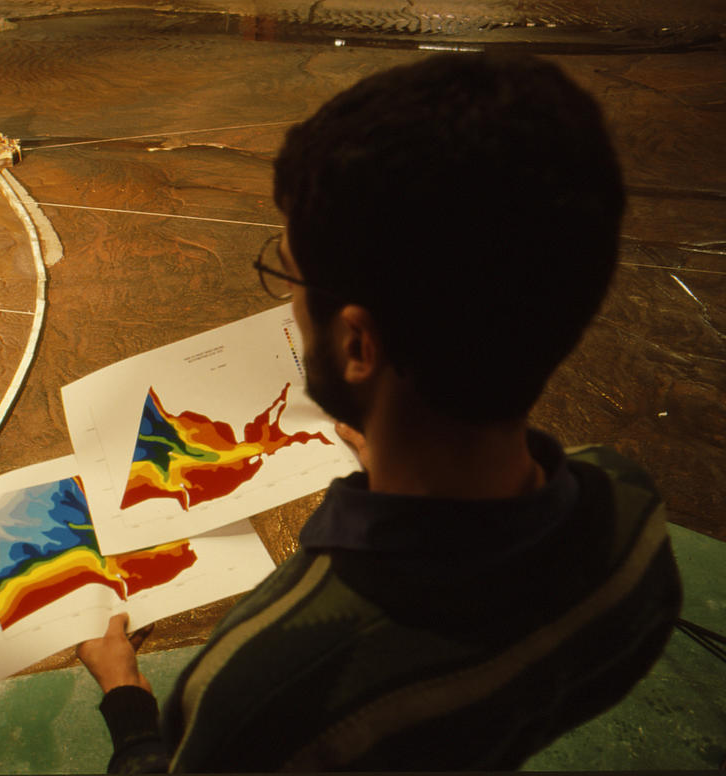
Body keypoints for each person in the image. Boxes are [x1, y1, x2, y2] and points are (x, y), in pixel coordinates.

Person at [76, 52, 682, 772]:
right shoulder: (634, 522)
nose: (291, 304)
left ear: (358, 343)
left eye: (290, 276)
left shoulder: (264, 684)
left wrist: (129, 703)